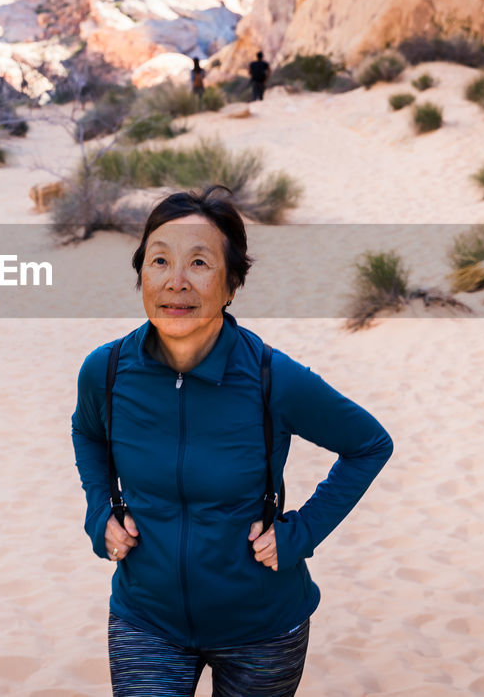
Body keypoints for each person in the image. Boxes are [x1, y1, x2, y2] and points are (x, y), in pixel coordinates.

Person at [71, 186, 393, 697]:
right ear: (141, 276)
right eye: (160, 261)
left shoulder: (271, 377)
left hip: (262, 631)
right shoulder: (105, 371)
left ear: (231, 285)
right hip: (146, 622)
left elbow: (369, 444)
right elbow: (87, 433)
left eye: (199, 263)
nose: (176, 283)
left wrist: (301, 533)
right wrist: (100, 512)